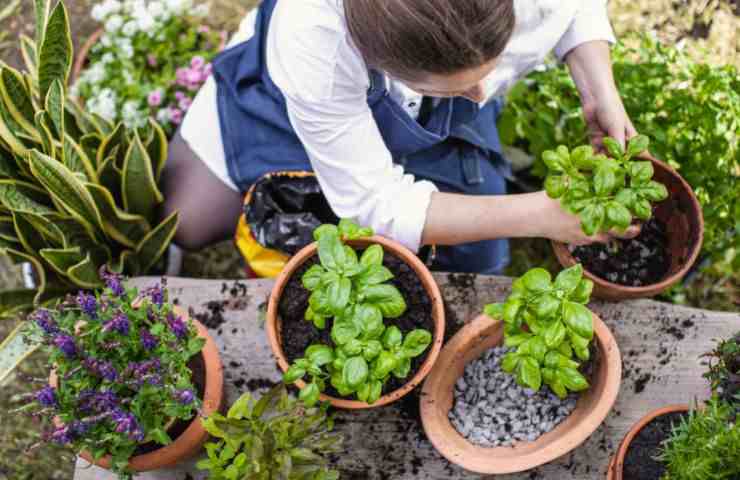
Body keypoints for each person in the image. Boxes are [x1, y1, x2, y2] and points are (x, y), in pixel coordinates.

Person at [163, 0, 640, 274]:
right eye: (459, 88)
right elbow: (374, 205)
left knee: (478, 257)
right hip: (299, 102)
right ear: (379, 61)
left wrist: (599, 88)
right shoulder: (318, 48)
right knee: (187, 220)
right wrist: (541, 214)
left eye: (489, 70)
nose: (481, 96)